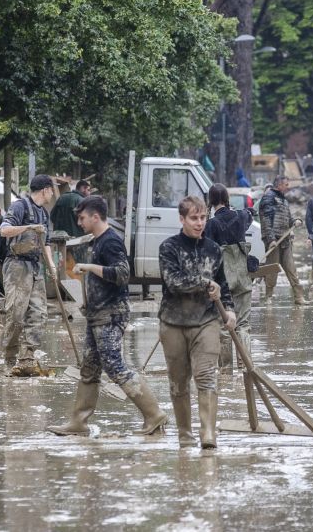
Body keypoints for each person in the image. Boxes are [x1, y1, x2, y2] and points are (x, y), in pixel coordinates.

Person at [49, 196, 167, 437]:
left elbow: (123, 274)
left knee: (114, 365)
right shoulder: (98, 241)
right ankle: (78, 422)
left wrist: (90, 268)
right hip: (97, 313)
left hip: (111, 313)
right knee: (89, 367)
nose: (79, 223)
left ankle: (154, 413)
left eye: (82, 218)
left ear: (95, 217)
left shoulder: (110, 241)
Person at [158, 196, 237, 450]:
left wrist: (231, 310)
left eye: (203, 217)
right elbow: (174, 282)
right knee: (179, 383)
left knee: (206, 377)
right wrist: (205, 284)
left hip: (206, 321)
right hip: (173, 322)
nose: (200, 223)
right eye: (194, 218)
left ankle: (208, 435)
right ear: (182, 219)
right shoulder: (168, 248)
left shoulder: (213, 249)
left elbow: (222, 284)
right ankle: (185, 435)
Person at [0, 174, 55, 377]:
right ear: (45, 190)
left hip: (35, 267)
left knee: (39, 313)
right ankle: (9, 359)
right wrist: (29, 227)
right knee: (16, 314)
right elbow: (4, 230)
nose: (53, 193)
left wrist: (51, 266)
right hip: (16, 266)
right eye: (52, 190)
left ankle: (27, 357)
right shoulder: (20, 206)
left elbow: (46, 242)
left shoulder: (45, 214)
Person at [204, 184, 254, 371]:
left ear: (211, 201)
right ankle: (247, 368)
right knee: (243, 325)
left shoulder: (211, 225)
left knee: (225, 329)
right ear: (226, 198)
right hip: (242, 279)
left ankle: (225, 372)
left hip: (222, 284)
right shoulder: (241, 217)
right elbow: (249, 213)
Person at [259, 175, 305, 305]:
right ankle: (268, 297)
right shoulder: (268, 198)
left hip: (285, 240)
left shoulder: (283, 199)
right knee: (272, 269)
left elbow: (287, 217)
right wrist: (271, 239)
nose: (287, 187)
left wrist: (295, 221)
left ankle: (298, 297)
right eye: (286, 184)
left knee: (291, 269)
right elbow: (266, 221)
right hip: (274, 241)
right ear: (279, 185)